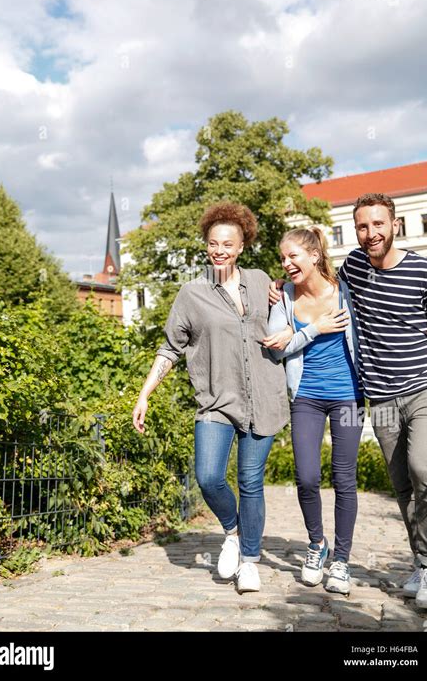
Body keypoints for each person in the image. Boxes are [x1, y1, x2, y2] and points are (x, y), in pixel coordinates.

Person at [132, 202, 289, 593]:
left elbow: (290, 316)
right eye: (213, 243)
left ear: (241, 247)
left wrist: (292, 332)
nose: (219, 249)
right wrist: (144, 394)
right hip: (216, 400)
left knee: (251, 482)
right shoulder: (192, 293)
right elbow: (169, 348)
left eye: (228, 244)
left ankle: (250, 561)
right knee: (208, 477)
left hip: (263, 398)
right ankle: (233, 532)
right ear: (206, 246)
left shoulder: (260, 281)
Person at [338, 193, 427, 611]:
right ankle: (423, 562)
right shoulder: (353, 266)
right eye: (363, 226)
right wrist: (279, 286)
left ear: (394, 225)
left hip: (425, 386)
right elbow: (319, 280)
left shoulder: (426, 271)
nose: (371, 234)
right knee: (402, 484)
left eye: (378, 224)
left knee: (425, 469)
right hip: (380, 394)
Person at [263, 226, 364, 596]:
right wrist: (313, 330)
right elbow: (276, 350)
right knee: (306, 476)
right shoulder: (284, 298)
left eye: (293, 256)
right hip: (305, 396)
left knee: (344, 478)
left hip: (349, 397)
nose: (286, 263)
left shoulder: (346, 293)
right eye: (283, 258)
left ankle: (342, 560)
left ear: (315, 256)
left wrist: (296, 335)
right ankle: (316, 545)